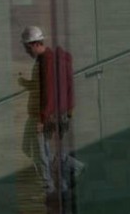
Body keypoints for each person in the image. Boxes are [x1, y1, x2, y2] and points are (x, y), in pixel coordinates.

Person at [19, 26, 85, 194]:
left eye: (27, 48)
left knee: (41, 150)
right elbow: (69, 85)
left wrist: (42, 118)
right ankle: (62, 185)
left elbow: (49, 91)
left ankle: (52, 185)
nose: (27, 52)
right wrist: (69, 110)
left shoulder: (47, 62)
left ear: (34, 44)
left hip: (50, 114)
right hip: (62, 113)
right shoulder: (58, 59)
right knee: (45, 149)